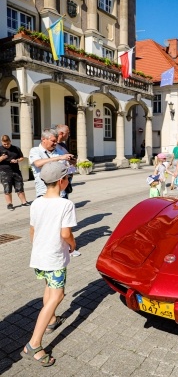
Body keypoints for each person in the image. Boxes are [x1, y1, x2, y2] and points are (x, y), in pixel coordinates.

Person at [21, 162, 77, 367]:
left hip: (39, 255)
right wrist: (73, 244)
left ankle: (51, 320)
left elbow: (32, 231)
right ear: (62, 181)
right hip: (54, 257)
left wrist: (37, 249)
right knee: (58, 295)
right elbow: (65, 233)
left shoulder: (36, 203)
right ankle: (34, 344)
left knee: (48, 287)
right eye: (68, 178)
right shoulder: (65, 204)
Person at [29, 129, 74, 198]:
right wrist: (59, 158)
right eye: (53, 141)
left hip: (61, 193)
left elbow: (68, 170)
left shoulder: (60, 151)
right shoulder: (35, 151)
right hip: (44, 193)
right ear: (43, 139)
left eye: (56, 141)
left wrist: (73, 164)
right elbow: (38, 164)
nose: (55, 143)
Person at [0, 135, 30, 210]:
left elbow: (22, 158)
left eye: (8, 144)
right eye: (4, 144)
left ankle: (24, 202)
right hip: (4, 171)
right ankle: (9, 204)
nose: (6, 145)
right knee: (7, 188)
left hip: (16, 170)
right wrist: (1, 158)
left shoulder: (16, 148)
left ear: (10, 141)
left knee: (19, 186)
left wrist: (17, 160)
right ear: (2, 142)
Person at [55, 124, 76, 199]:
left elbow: (68, 160)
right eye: (68, 132)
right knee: (62, 196)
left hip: (67, 174)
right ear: (61, 133)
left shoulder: (63, 145)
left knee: (66, 194)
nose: (69, 135)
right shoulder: (53, 146)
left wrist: (73, 169)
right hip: (59, 176)